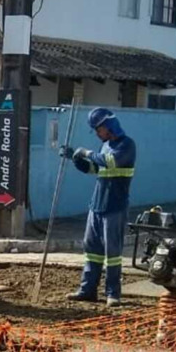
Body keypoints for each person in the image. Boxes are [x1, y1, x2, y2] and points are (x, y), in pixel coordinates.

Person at [62, 107, 137, 308]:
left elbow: (110, 162)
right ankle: (88, 290)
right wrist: (76, 159)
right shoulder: (105, 146)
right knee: (92, 250)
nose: (97, 133)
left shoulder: (126, 145)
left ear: (108, 126)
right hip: (96, 205)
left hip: (115, 206)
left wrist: (86, 152)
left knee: (112, 253)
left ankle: (113, 293)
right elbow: (95, 168)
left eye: (98, 129)